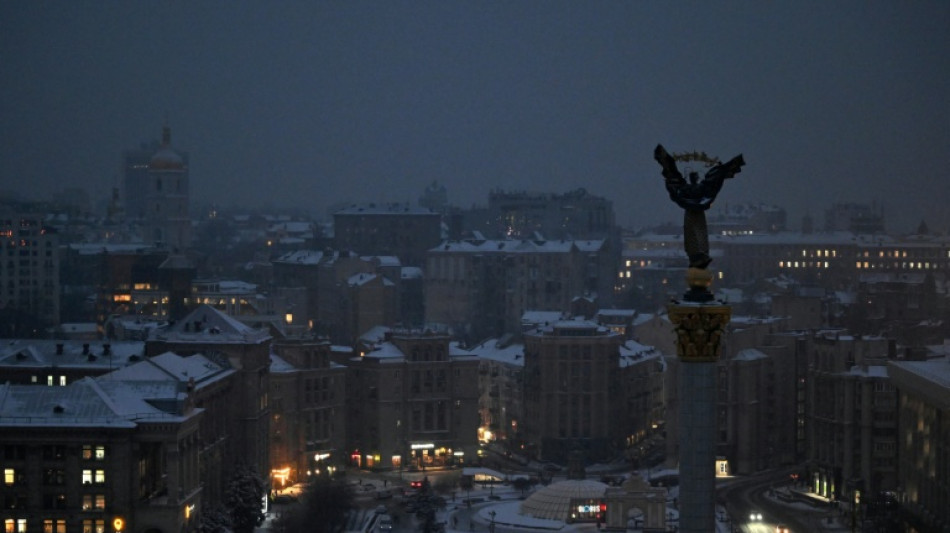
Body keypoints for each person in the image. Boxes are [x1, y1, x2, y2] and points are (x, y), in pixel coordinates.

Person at [654, 144, 744, 269]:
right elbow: (713, 182)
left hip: (692, 214)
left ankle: (698, 256)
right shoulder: (701, 188)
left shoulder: (689, 188)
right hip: (695, 214)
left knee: (695, 234)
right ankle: (698, 256)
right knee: (696, 234)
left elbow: (676, 188)